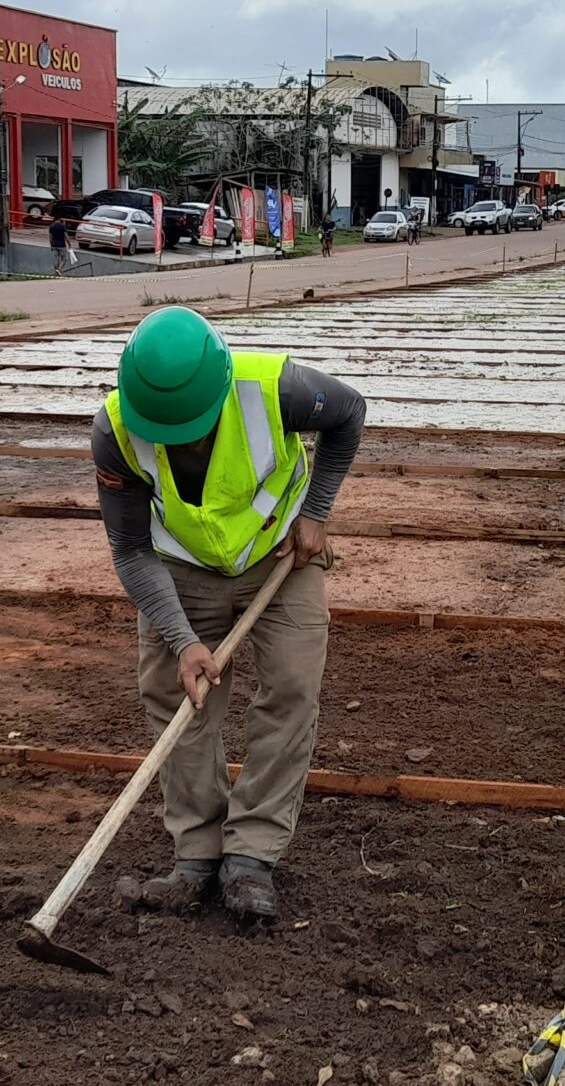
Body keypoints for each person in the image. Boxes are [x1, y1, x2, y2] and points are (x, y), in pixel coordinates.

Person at [92, 306, 365, 922]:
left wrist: (316, 511)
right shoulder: (114, 430)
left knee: (292, 688)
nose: (178, 439)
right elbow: (131, 551)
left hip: (278, 558)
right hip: (182, 570)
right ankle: (197, 852)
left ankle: (251, 856)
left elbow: (349, 415)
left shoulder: (277, 387)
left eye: (190, 424)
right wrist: (183, 639)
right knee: (179, 698)